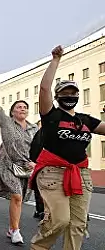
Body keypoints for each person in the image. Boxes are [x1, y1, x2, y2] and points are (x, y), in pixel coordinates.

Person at [30, 46, 105, 250]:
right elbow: (44, 89)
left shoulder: (86, 120)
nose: (70, 95)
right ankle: (39, 247)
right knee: (60, 220)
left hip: (81, 174)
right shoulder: (52, 116)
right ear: (57, 96)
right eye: (65, 92)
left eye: (73, 92)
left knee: (78, 224)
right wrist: (55, 59)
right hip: (53, 174)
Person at [0, 76, 38, 245]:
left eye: (25, 107)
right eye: (19, 107)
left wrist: (35, 162)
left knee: (21, 199)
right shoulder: (6, 123)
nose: (22, 109)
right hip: (8, 164)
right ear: (12, 112)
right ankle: (16, 231)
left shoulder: (34, 128)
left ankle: (11, 227)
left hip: (27, 166)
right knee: (16, 196)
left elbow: (38, 147)